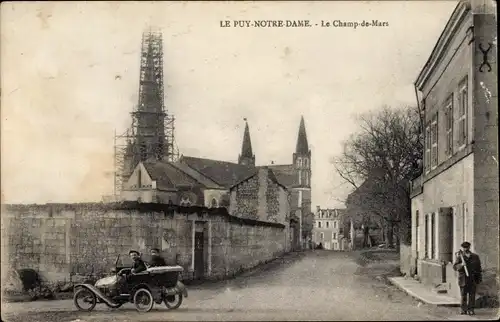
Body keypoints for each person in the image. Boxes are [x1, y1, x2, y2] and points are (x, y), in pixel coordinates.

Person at [453, 241, 482, 315]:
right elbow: (455, 267)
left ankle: (471, 309)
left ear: (469, 247)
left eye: (467, 247)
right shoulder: (460, 257)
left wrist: (479, 279)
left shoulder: (475, 256)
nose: (465, 249)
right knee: (463, 295)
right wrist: (461, 264)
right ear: (462, 248)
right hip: (463, 279)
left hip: (472, 278)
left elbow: (479, 268)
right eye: (464, 247)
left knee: (472, 295)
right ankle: (463, 310)